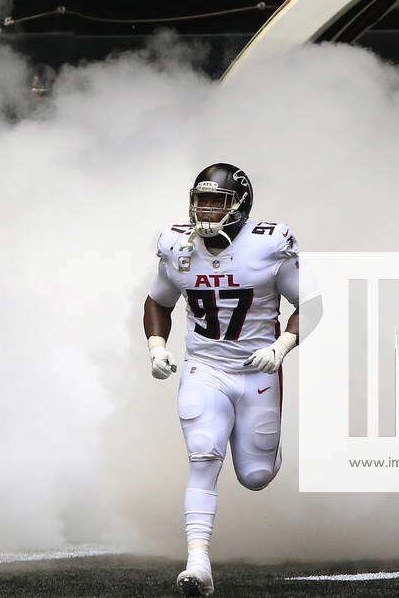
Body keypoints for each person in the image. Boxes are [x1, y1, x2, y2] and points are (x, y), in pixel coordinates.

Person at [142, 162, 321, 596]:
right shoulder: (176, 245)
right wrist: (157, 347)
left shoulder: (269, 244)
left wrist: (280, 347)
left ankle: (267, 451)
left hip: (257, 371)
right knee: (203, 455)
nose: (205, 211)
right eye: (200, 200)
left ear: (240, 205)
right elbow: (157, 302)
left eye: (216, 201)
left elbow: (311, 304)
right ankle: (198, 563)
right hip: (205, 368)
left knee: (256, 475)